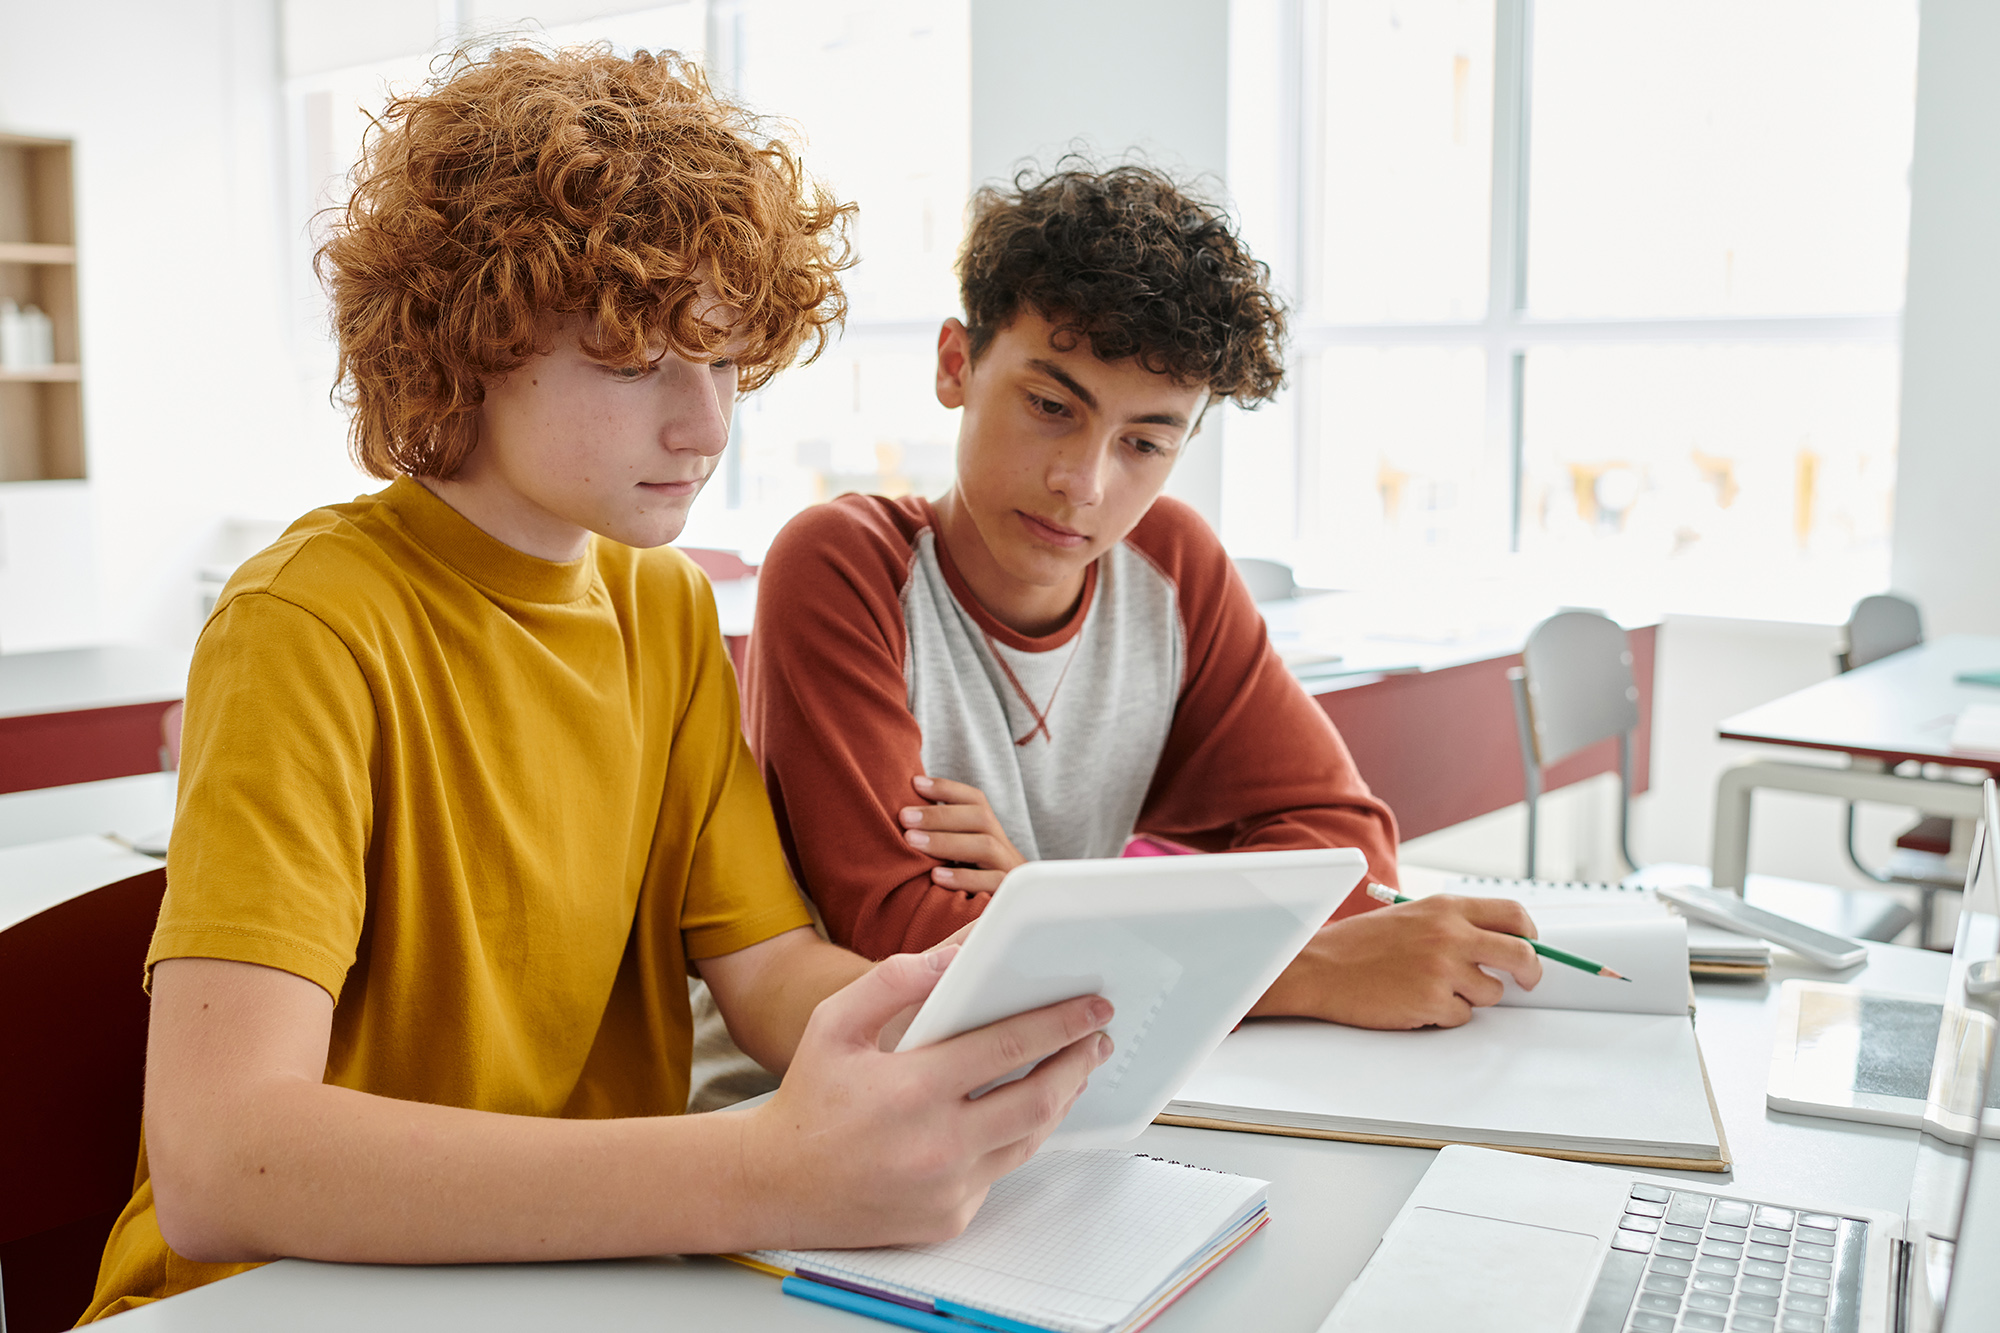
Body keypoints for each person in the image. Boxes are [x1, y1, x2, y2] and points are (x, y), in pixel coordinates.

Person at [82, 47, 1113, 1321]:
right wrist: (758, 1171)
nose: (706, 426)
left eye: (729, 364)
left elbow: (773, 964)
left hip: (565, 1281)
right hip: (271, 1294)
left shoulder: (661, 605)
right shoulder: (305, 623)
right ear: (460, 345)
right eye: (635, 367)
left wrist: (983, 1029)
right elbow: (217, 1162)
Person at [737, 165, 1543, 1073]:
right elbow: (911, 946)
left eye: (1145, 443)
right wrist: (1307, 970)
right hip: (823, 1098)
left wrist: (1046, 898)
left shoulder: (1170, 565)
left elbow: (1343, 851)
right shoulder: (842, 566)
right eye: (1051, 406)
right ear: (956, 364)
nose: (1084, 485)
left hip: (1072, 1083)